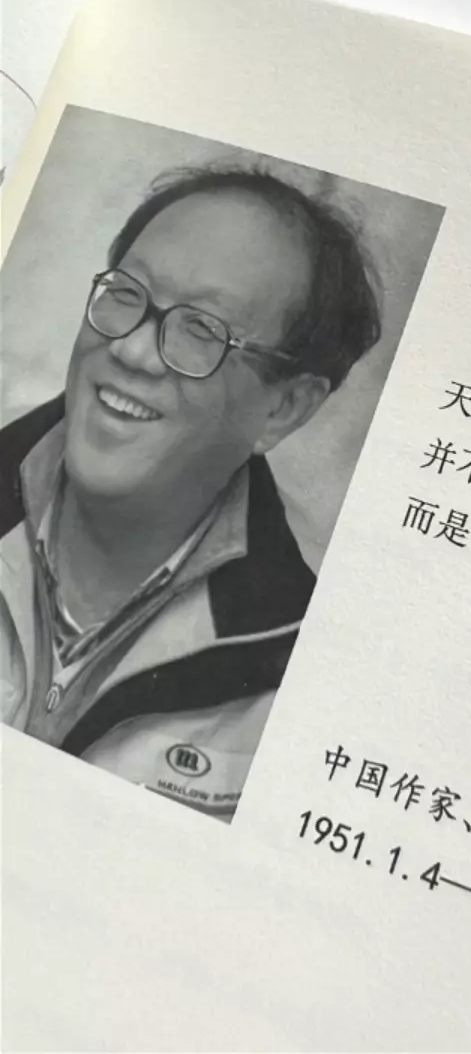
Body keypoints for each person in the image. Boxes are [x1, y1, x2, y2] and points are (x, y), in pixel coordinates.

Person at [0, 164, 380, 818]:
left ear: (284, 408)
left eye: (200, 329)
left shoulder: (299, 675)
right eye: (127, 294)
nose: (133, 352)